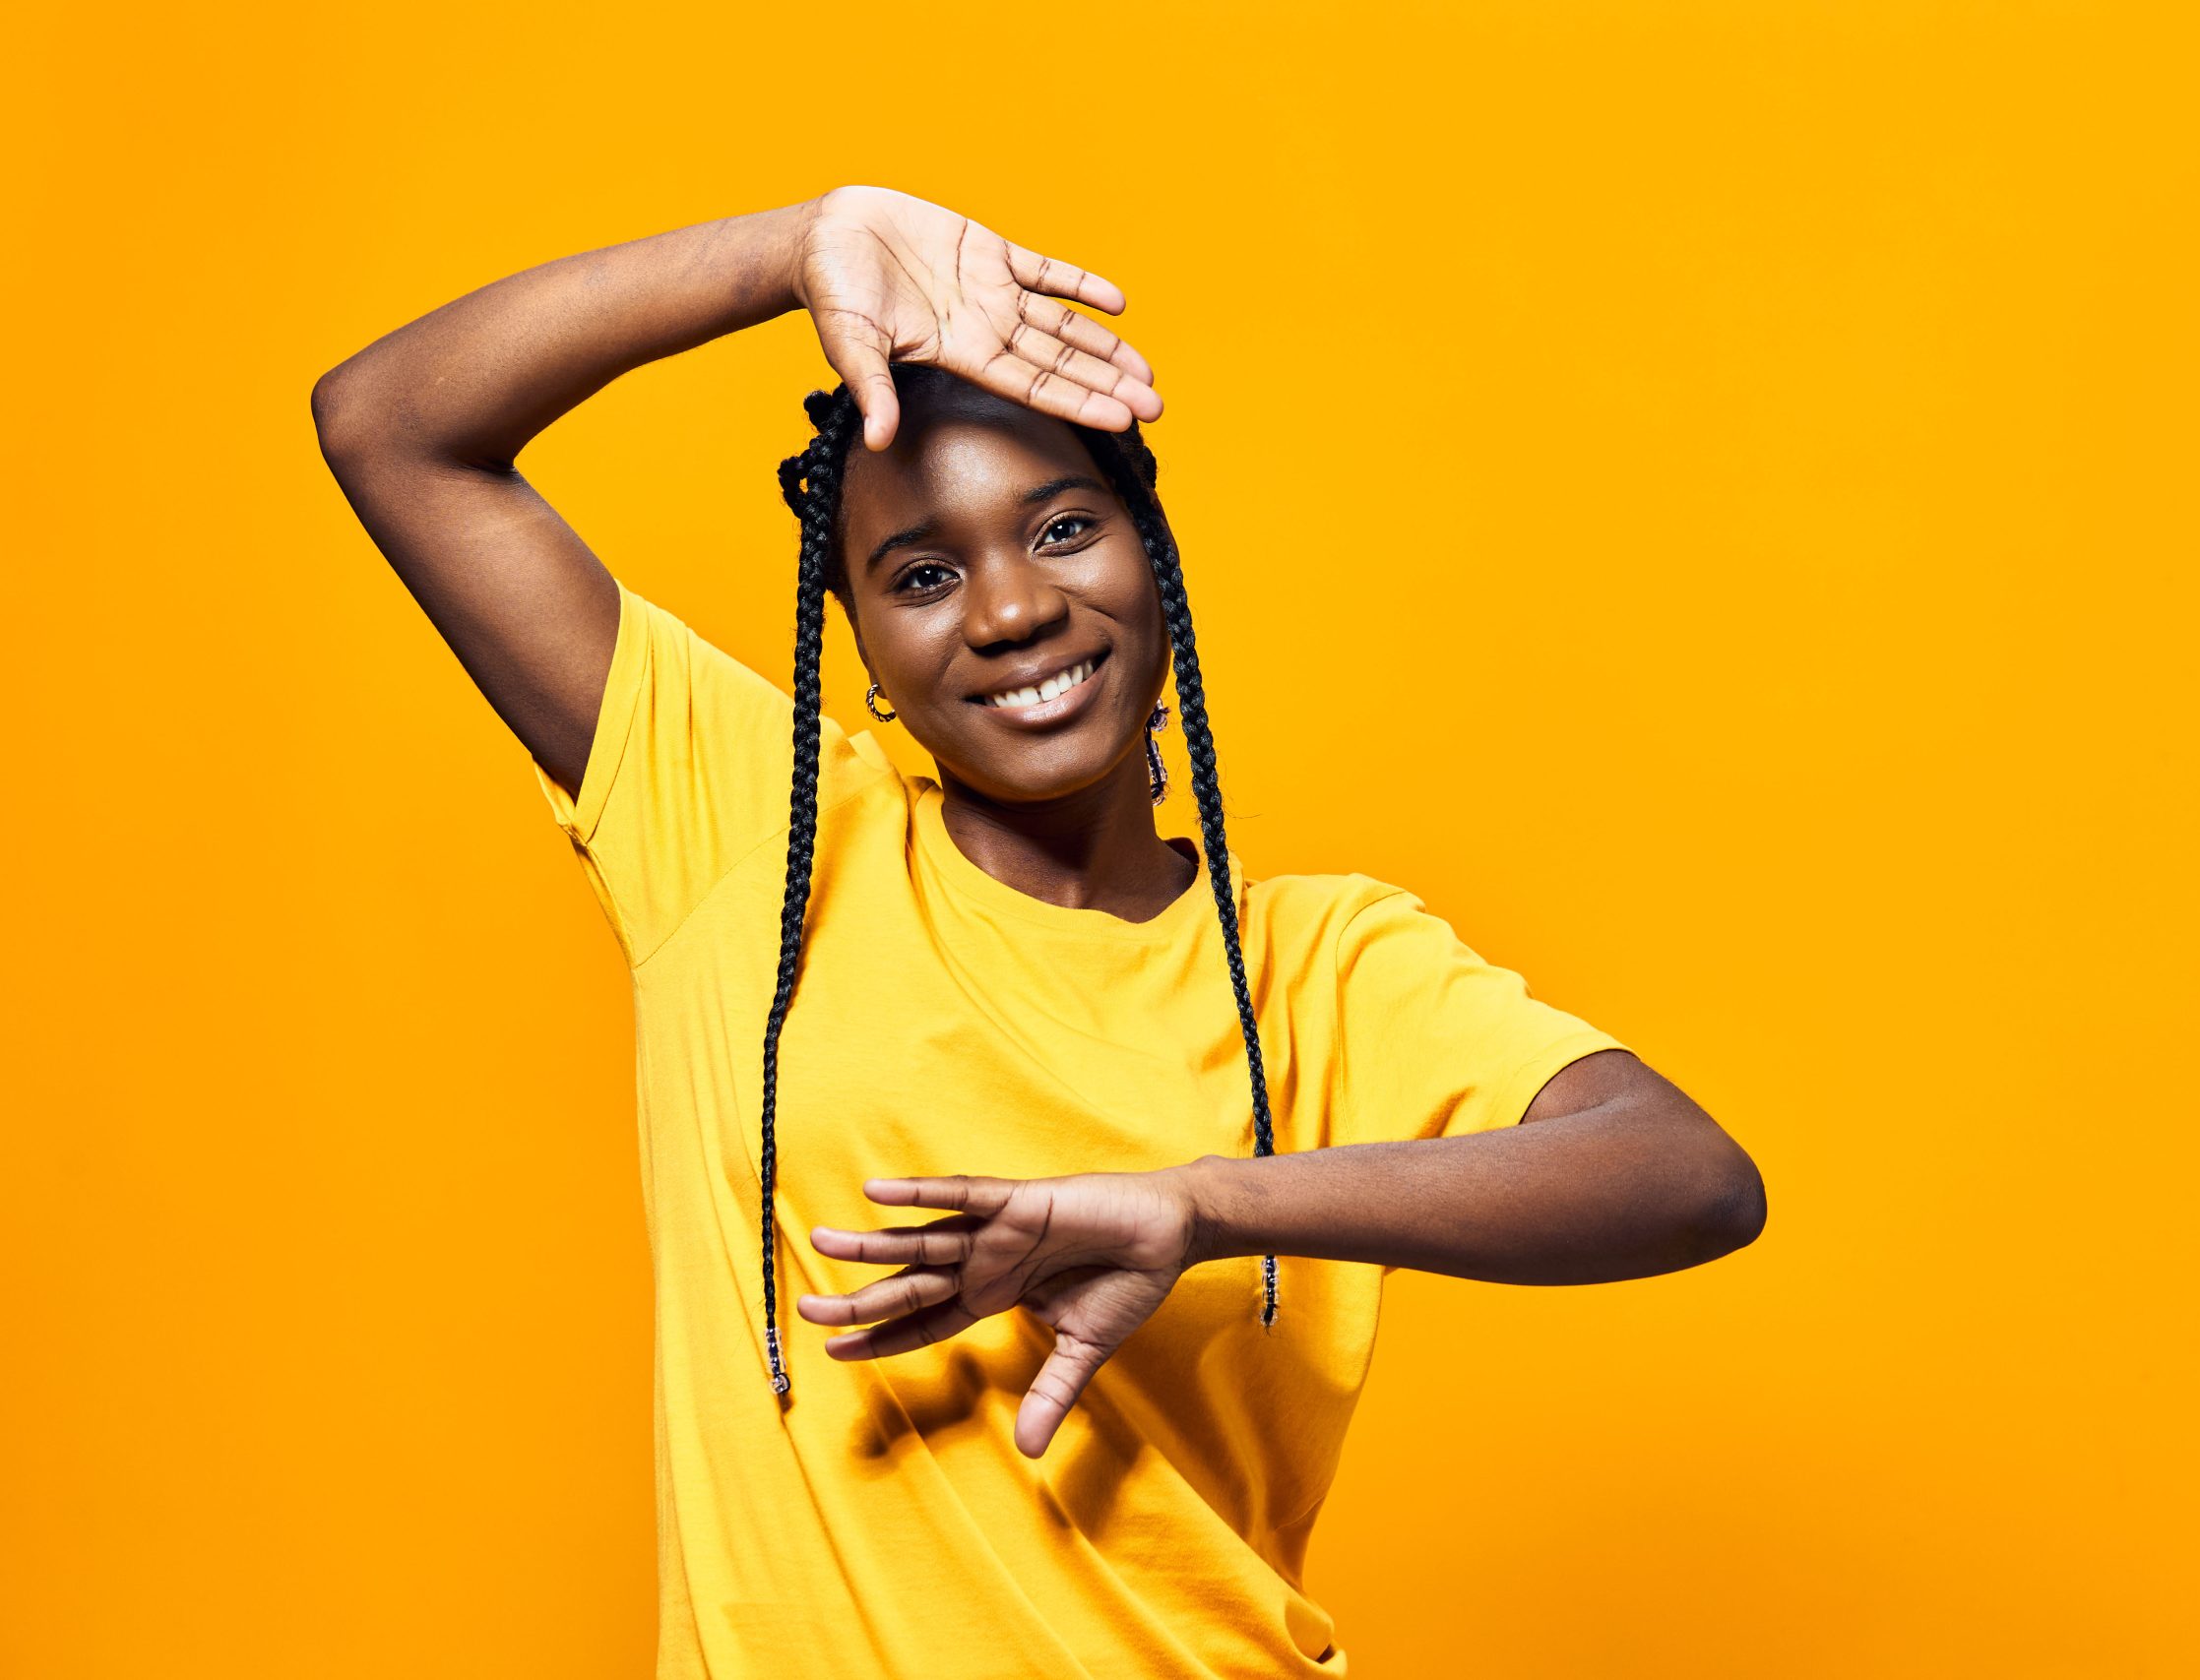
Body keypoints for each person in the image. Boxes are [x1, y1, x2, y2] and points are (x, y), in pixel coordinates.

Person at [312, 184, 1767, 1680]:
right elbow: (393, 426)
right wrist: (792, 248)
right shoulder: (753, 834)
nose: (1010, 609)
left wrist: (1208, 1207)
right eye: (923, 575)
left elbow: (1686, 1177)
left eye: (1064, 528)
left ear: (1154, 560)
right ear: (865, 646)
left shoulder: (1318, 968)